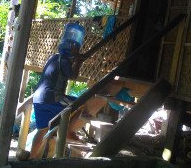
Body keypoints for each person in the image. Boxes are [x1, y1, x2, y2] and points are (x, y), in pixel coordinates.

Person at [28, 27, 123, 159]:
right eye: (74, 60)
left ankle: (31, 159)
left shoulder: (54, 57)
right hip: (52, 96)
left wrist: (78, 59)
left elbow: (71, 67)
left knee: (41, 131)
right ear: (72, 56)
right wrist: (77, 60)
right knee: (79, 104)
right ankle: (67, 131)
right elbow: (73, 75)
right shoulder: (65, 61)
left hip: (38, 99)